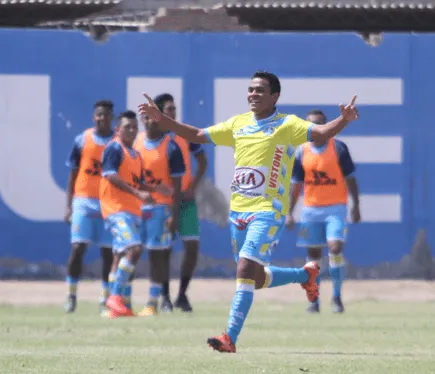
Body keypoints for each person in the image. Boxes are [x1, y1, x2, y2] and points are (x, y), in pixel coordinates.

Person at [138, 71, 360, 353]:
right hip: (238, 212)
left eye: (260, 90)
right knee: (253, 277)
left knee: (243, 268)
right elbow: (196, 135)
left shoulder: (287, 125)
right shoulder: (237, 124)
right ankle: (305, 276)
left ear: (274, 96)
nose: (252, 94)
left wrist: (343, 120)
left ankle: (229, 337)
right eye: (250, 89)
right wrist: (163, 120)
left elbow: (322, 132)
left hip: (268, 210)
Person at [286, 109, 361, 314]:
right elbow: (296, 185)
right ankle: (314, 299)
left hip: (336, 208)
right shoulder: (301, 151)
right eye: (311, 126)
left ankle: (337, 297)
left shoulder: (338, 148)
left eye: (320, 124)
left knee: (335, 247)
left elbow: (350, 179)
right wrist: (290, 212)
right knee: (313, 255)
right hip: (310, 210)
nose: (316, 129)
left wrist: (356, 206)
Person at [101, 110, 171, 318]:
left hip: (132, 210)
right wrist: (138, 192)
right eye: (127, 127)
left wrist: (154, 189)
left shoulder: (136, 155)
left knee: (119, 255)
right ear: (117, 130)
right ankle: (114, 297)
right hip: (115, 209)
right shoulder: (114, 148)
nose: (132, 131)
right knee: (134, 249)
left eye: (134, 127)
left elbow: (136, 181)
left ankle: (114, 310)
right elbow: (111, 176)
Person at [152, 93, 208, 313]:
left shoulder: (183, 131)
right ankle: (164, 296)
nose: (173, 113)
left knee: (192, 247)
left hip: (185, 201)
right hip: (164, 204)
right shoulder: (154, 134)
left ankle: (182, 294)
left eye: (174, 109)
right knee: (163, 250)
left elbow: (202, 161)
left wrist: (192, 187)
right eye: (168, 109)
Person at [64, 100, 115, 313]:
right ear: (94, 117)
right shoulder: (82, 140)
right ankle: (71, 295)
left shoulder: (116, 142)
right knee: (77, 248)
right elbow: (73, 174)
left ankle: (105, 298)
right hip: (83, 201)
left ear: (111, 118)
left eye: (106, 115)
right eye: (98, 115)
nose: (102, 118)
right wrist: (68, 205)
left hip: (107, 203)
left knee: (107, 253)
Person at [134, 109, 185, 317]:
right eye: (146, 117)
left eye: (153, 117)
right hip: (135, 207)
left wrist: (174, 214)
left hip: (160, 209)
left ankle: (153, 302)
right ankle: (120, 300)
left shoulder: (170, 147)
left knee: (157, 256)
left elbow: (177, 187)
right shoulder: (135, 143)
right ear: (142, 120)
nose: (150, 121)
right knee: (129, 253)